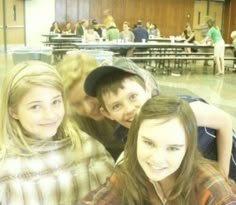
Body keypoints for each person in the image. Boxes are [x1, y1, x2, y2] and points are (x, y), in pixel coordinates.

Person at [84, 57, 236, 181]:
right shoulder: (124, 134)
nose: (129, 109)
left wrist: (223, 175)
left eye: (133, 96)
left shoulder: (182, 111)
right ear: (107, 113)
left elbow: (225, 121)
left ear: (148, 90)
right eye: (117, 106)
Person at [77, 95, 236, 205]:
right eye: (148, 143)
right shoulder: (130, 172)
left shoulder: (210, 187)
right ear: (135, 138)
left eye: (173, 148)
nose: (157, 159)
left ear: (188, 148)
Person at [0, 61, 115, 205]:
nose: (50, 115)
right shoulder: (5, 166)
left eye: (55, 102)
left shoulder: (88, 146)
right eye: (35, 106)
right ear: (13, 111)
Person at [56, 53, 124, 160]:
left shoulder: (129, 105)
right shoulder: (73, 123)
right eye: (76, 104)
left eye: (89, 96)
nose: (88, 109)